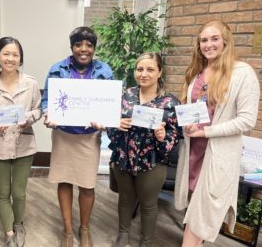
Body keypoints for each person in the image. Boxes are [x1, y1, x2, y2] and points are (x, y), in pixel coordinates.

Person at [174, 20, 260, 247]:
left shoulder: (242, 73)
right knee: (195, 212)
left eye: (214, 39)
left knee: (200, 218)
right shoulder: (198, 73)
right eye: (203, 40)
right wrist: (188, 126)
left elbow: (247, 120)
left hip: (217, 157)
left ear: (226, 41)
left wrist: (206, 132)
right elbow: (193, 110)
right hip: (193, 153)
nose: (208, 44)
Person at [42, 26, 113, 247]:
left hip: (88, 137)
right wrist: (47, 113)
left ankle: (84, 229)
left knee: (87, 185)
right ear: (72, 47)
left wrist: (106, 120)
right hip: (64, 135)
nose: (84, 49)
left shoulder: (105, 71)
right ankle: (68, 231)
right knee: (64, 181)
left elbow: (111, 103)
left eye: (89, 45)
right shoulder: (57, 69)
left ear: (94, 48)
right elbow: (47, 100)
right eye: (78, 45)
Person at [107, 52, 182, 247]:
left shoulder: (170, 103)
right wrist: (116, 124)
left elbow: (175, 137)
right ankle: (123, 235)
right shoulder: (125, 96)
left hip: (152, 162)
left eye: (150, 69)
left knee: (149, 205)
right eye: (140, 69)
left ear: (160, 72)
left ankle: (145, 241)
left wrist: (162, 137)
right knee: (125, 199)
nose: (144, 74)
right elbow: (109, 124)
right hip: (123, 158)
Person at [0, 37, 42, 247]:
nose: (11, 58)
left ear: (20, 58)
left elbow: (38, 110)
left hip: (24, 143)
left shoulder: (30, 83)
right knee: (3, 192)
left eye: (15, 54)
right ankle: (9, 233)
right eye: (6, 54)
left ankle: (19, 224)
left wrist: (28, 119)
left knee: (19, 192)